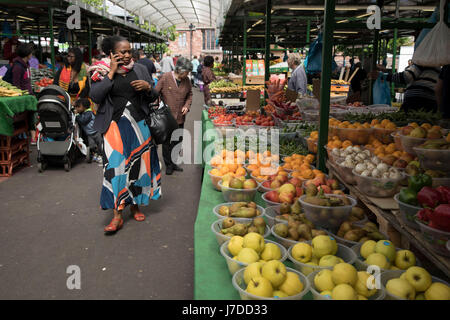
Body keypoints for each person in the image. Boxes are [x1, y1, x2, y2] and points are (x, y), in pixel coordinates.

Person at [89, 35, 162, 234]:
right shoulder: (100, 71)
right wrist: (111, 73)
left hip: (139, 126)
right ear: (111, 53)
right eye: (122, 52)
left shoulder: (140, 69)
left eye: (129, 51)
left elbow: (154, 96)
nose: (127, 55)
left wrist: (148, 88)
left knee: (138, 167)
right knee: (116, 169)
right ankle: (117, 215)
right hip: (114, 128)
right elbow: (95, 96)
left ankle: (136, 205)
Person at [155, 57, 193, 175]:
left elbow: (190, 94)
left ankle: (174, 162)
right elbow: (155, 92)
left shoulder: (186, 80)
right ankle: (169, 165)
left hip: (180, 117)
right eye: (186, 72)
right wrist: (159, 104)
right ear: (179, 69)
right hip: (167, 117)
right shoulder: (166, 77)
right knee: (167, 143)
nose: (187, 75)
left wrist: (187, 105)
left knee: (178, 141)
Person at [373, 63, 441, 113]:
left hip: (415, 104)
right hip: (431, 105)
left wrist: (384, 76)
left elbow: (406, 77)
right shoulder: (438, 68)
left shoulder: (421, 62)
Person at [74, 98, 103, 163]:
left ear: (84, 107)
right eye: (76, 107)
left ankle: (101, 155)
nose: (77, 109)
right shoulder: (83, 113)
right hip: (89, 134)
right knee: (92, 145)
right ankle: (95, 154)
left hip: (96, 132)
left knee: (100, 145)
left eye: (78, 107)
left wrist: (77, 115)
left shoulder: (88, 113)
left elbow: (83, 121)